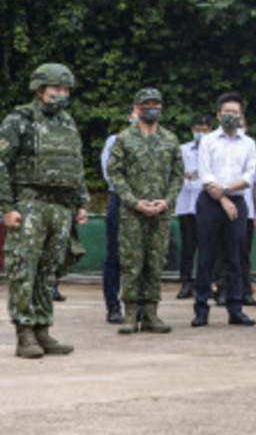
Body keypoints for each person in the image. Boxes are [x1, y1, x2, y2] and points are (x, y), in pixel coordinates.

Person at [0, 63, 90, 358]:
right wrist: (6, 208)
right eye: (56, 89)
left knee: (48, 271)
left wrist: (81, 201)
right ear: (40, 90)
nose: (62, 94)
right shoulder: (19, 120)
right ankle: (25, 333)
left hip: (60, 208)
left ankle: (43, 329)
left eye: (66, 90)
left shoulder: (68, 123)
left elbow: (76, 164)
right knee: (24, 269)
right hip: (30, 204)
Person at [106, 88, 186, 334]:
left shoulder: (170, 139)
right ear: (137, 108)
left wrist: (168, 200)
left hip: (160, 212)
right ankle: (130, 313)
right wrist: (132, 201)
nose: (153, 108)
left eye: (157, 104)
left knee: (155, 262)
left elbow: (177, 174)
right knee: (132, 262)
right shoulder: (124, 138)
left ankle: (151, 313)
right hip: (133, 212)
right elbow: (114, 172)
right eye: (147, 104)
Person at [192, 92, 256, 327]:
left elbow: (249, 176)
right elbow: (205, 174)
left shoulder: (249, 143)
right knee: (206, 257)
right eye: (226, 112)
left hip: (237, 202)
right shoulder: (208, 141)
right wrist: (222, 199)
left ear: (241, 117)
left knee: (235, 257)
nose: (231, 116)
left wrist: (227, 192)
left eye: (235, 113)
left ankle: (235, 308)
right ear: (219, 115)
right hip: (210, 202)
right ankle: (201, 309)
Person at [99, 109, 135, 324]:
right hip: (120, 199)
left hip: (147, 203)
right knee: (114, 254)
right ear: (130, 115)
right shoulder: (114, 140)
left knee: (143, 256)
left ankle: (141, 306)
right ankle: (113, 307)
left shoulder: (159, 140)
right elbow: (109, 172)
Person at [175, 114, 211, 299]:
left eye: (204, 131)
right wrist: (185, 173)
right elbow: (173, 170)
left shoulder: (214, 149)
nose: (201, 134)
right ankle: (186, 283)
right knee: (188, 247)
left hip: (207, 204)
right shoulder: (182, 150)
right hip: (186, 204)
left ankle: (204, 284)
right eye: (198, 130)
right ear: (192, 130)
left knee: (207, 247)